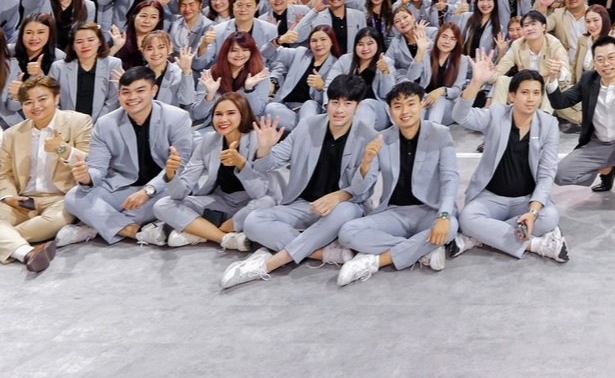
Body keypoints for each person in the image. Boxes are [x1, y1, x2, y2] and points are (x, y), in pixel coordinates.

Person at [221, 75, 380, 289]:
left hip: (342, 208)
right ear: (328, 102)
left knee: (347, 211)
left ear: (357, 106)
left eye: (347, 104)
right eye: (335, 102)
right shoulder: (307, 126)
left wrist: (338, 196)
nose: (339, 110)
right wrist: (265, 149)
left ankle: (270, 263)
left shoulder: (369, 137)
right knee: (252, 221)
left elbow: (364, 191)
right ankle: (322, 251)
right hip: (303, 205)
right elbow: (269, 164)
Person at [336, 81, 459, 286]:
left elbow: (450, 178)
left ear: (422, 105)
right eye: (398, 106)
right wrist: (366, 163)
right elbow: (361, 189)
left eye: (411, 104)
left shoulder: (440, 133)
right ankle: (423, 250)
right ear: (390, 110)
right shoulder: (382, 139)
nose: (405, 111)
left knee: (451, 226)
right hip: (394, 212)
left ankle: (376, 261)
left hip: (430, 210)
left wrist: (444, 216)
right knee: (347, 232)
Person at [60, 66, 196, 246]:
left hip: (162, 187)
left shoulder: (177, 118)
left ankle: (95, 225)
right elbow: (97, 167)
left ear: (154, 90)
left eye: (140, 91)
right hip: (123, 186)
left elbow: (180, 166)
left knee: (151, 208)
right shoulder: (105, 123)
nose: (132, 97)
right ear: (119, 95)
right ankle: (136, 232)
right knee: (73, 198)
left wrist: (148, 191)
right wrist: (87, 178)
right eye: (126, 92)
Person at [450, 68, 570, 262]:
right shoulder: (496, 114)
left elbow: (547, 173)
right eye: (524, 92)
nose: (530, 99)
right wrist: (476, 83)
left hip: (526, 200)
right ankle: (535, 245)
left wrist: (532, 212)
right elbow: (460, 116)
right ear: (512, 96)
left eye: (536, 93)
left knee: (549, 216)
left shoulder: (549, 124)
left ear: (541, 97)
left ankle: (480, 237)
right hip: (490, 198)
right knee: (467, 218)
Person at [547, 36, 615, 219]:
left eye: (611, 57)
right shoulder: (588, 80)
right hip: (599, 144)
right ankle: (608, 169)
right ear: (594, 62)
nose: (606, 63)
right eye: (600, 59)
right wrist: (552, 79)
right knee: (560, 174)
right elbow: (561, 102)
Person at [152, 92, 270, 249]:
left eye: (231, 113)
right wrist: (171, 174)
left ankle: (203, 231)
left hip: (250, 202)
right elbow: (181, 193)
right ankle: (224, 238)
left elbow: (260, 193)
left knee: (267, 202)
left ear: (243, 114)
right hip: (220, 201)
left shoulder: (258, 139)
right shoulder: (208, 140)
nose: (223, 119)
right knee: (162, 205)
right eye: (218, 114)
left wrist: (242, 164)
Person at [0, 77, 93, 273]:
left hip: (62, 198)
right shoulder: (12, 134)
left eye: (42, 99)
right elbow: (3, 174)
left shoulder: (79, 121)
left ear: (56, 98)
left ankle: (9, 241)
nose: (36, 106)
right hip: (24, 200)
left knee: (55, 221)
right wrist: (9, 197)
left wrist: (62, 149)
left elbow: (91, 164)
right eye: (28, 102)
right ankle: (27, 253)